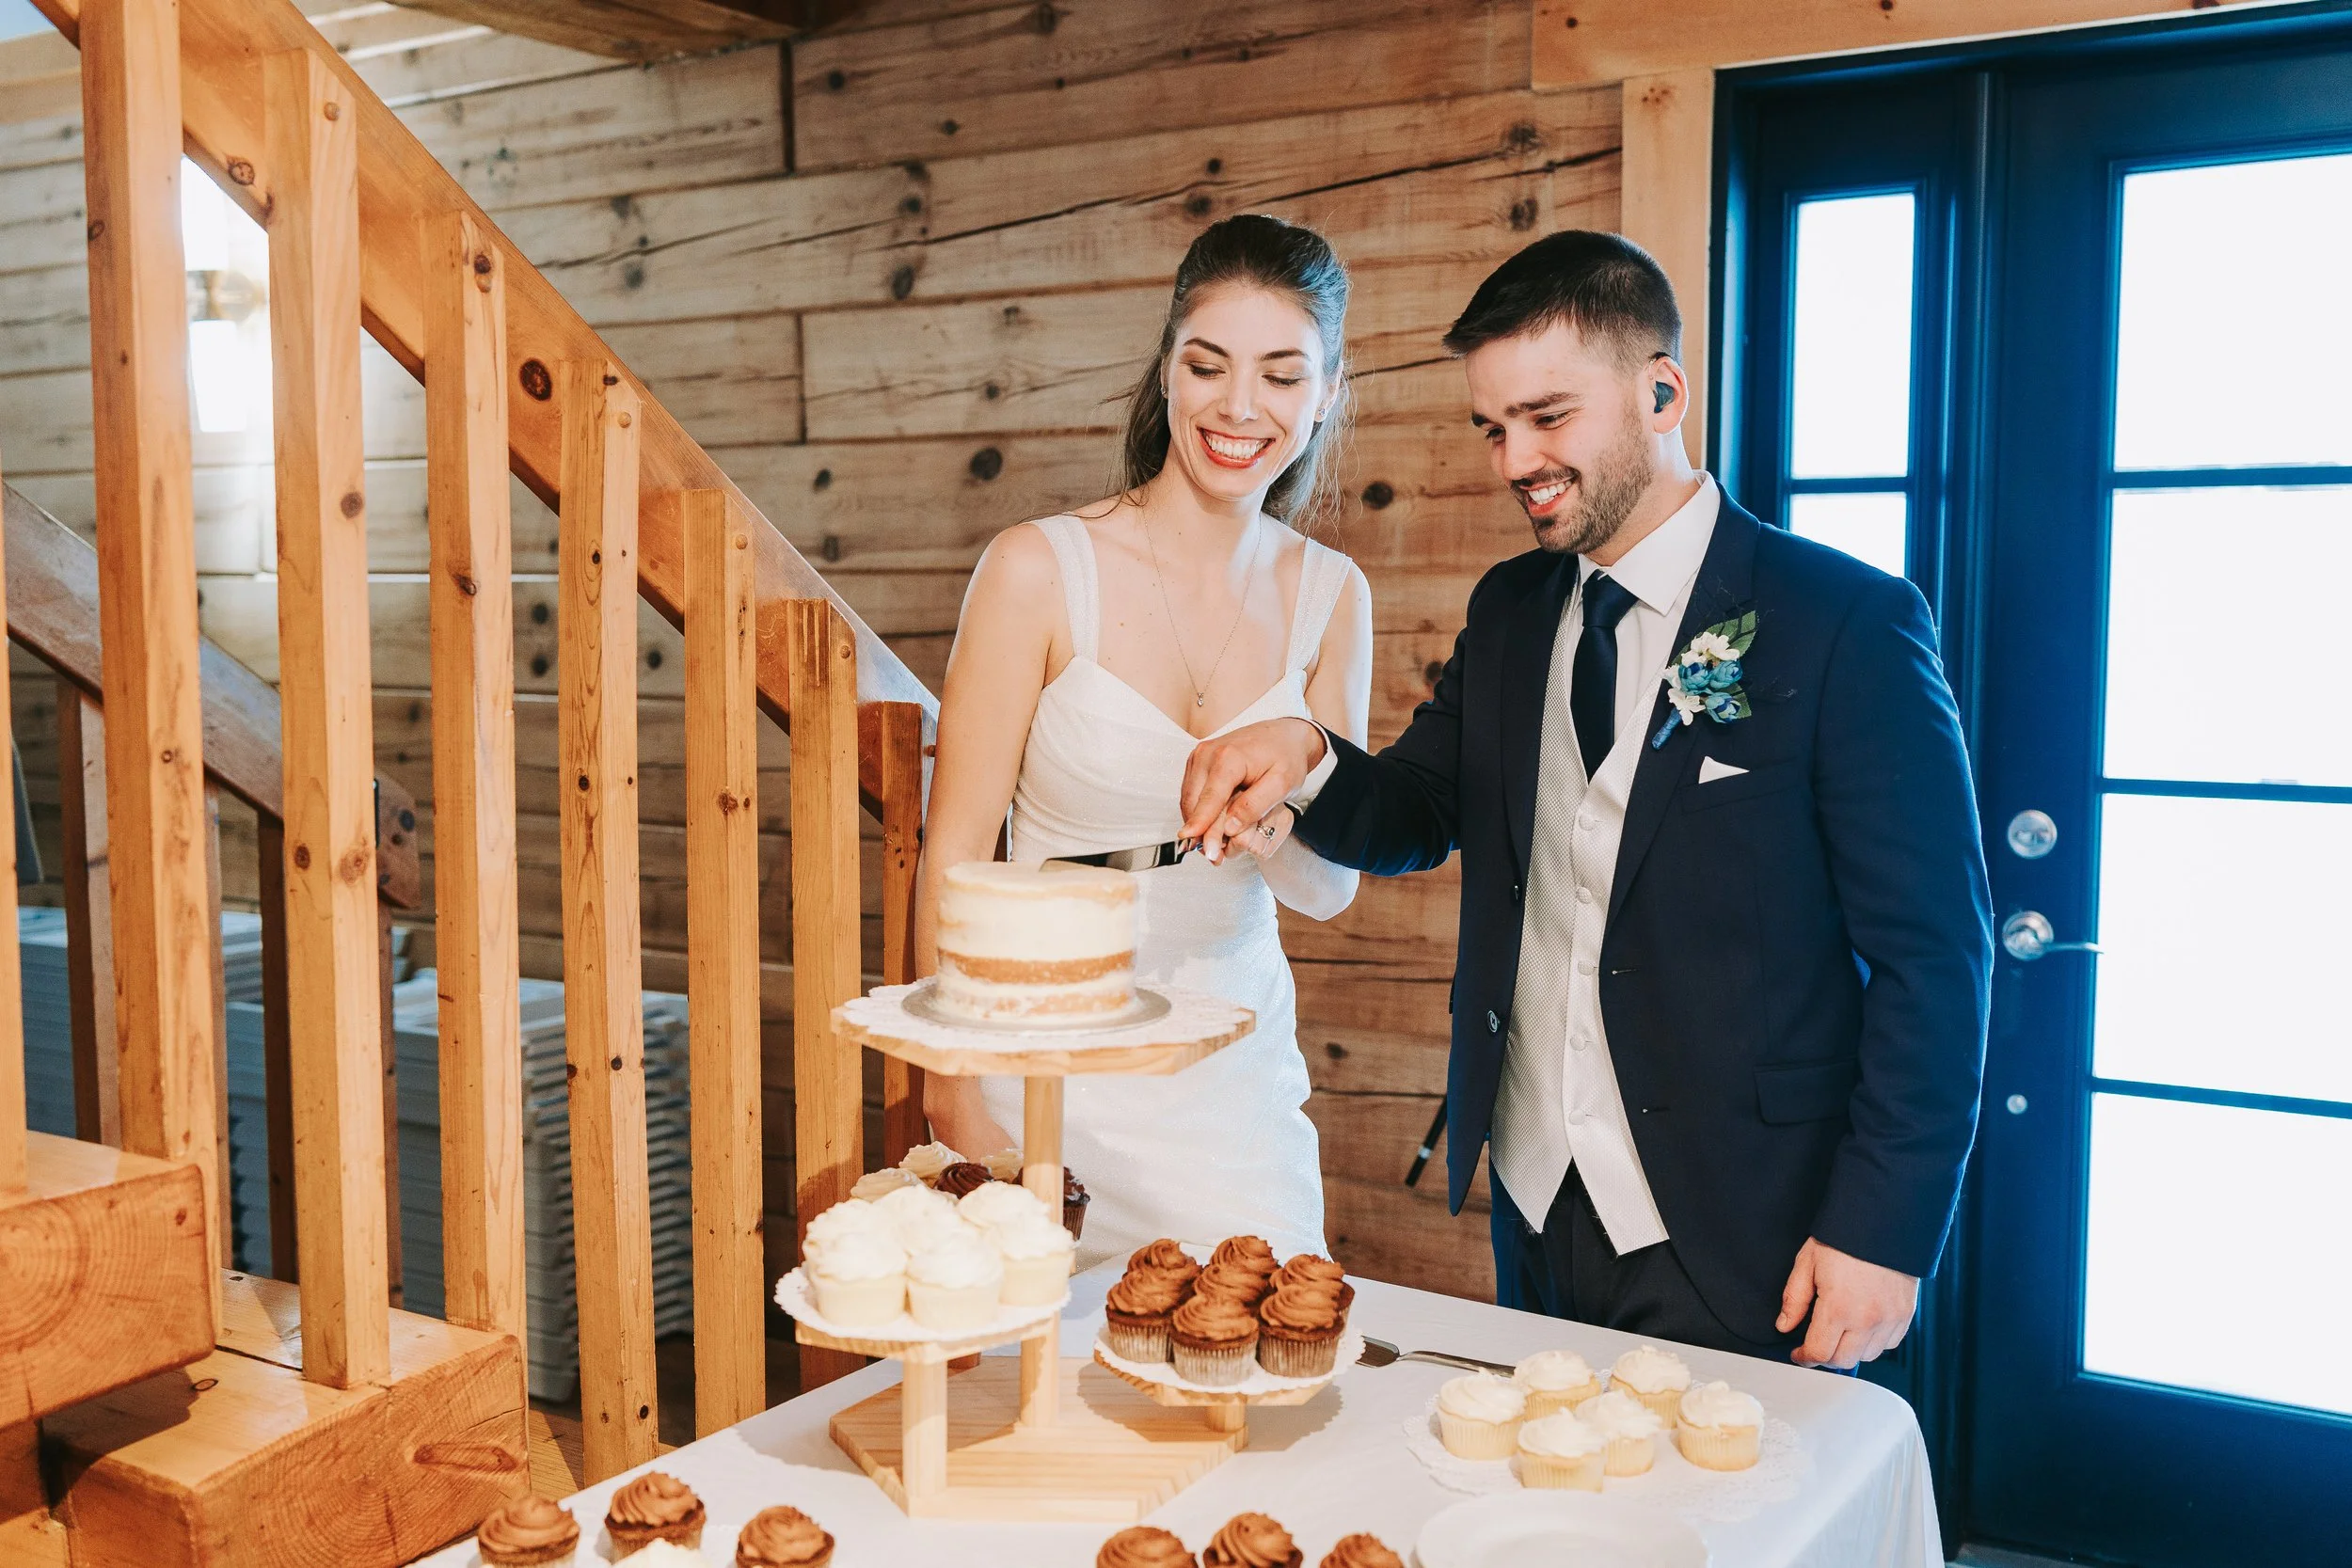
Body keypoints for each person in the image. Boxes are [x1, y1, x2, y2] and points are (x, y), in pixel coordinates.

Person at [1178, 231, 1992, 1368]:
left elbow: (1935, 956)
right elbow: (1418, 811)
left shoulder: (1843, 621)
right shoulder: (1513, 607)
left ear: (1660, 392)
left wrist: (1882, 1227)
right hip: (1535, 1199)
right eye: (1493, 427)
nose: (1515, 458)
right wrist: (1308, 751)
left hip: (1751, 1227)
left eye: (1548, 417)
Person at [914, 214, 1373, 1268]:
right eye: (1208, 364)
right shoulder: (1037, 567)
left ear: (1329, 392)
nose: (1239, 406)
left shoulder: (1332, 595)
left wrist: (1270, 822)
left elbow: (1327, 888)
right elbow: (956, 848)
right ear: (1165, 367)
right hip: (1035, 1061)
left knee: (1247, 1378)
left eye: (1282, 375)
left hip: (1228, 1076)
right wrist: (950, 1086)